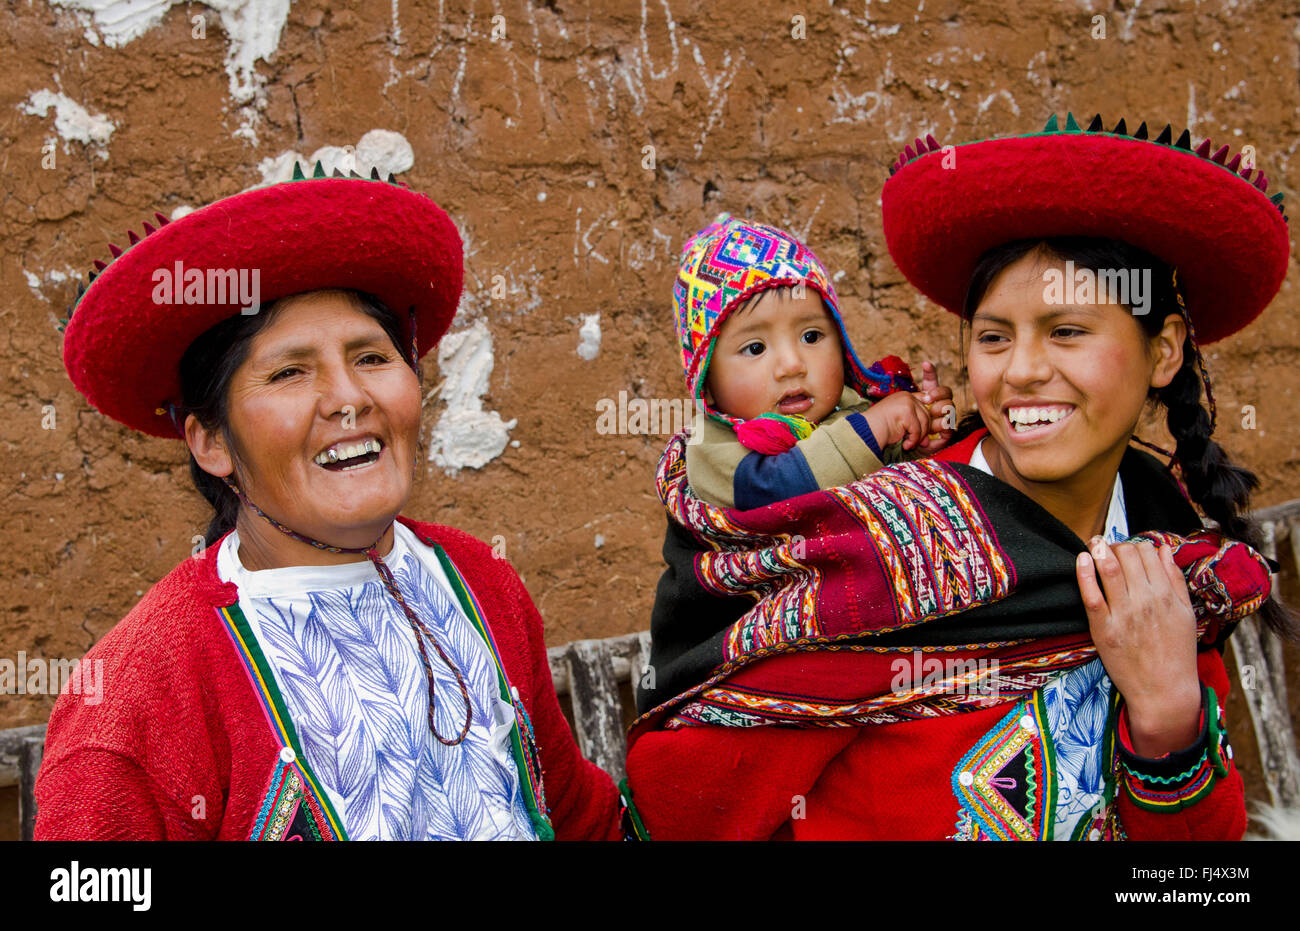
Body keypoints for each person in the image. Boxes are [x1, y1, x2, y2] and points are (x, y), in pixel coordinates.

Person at [623, 114, 1294, 841]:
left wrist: (1168, 721)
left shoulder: (1169, 550)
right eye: (994, 336)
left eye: (1066, 330)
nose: (1022, 370)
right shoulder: (884, 548)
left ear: (1163, 353)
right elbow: (686, 805)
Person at [37, 164, 621, 840]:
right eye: (289, 371)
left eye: (371, 357)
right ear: (211, 440)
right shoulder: (141, 688)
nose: (349, 398)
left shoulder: (481, 581)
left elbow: (581, 817)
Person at [672, 214, 954, 511]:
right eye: (755, 348)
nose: (793, 365)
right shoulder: (712, 447)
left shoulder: (853, 409)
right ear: (707, 382)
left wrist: (920, 435)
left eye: (811, 336)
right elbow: (774, 489)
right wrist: (876, 427)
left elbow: (883, 477)